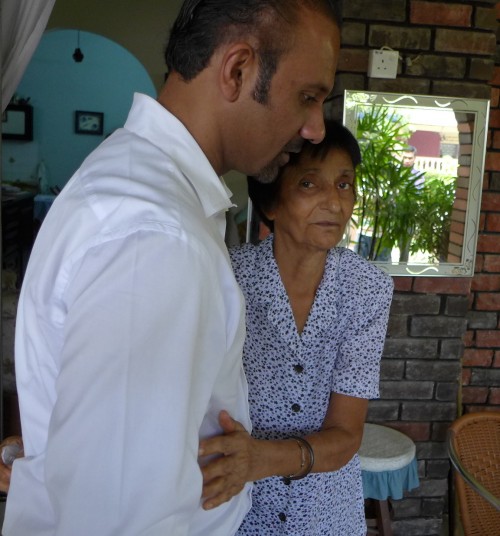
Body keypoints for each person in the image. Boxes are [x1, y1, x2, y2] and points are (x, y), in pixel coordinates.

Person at [3, 1, 341, 535]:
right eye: (307, 97)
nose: (315, 128)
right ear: (237, 70)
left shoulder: (152, 196)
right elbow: (118, 519)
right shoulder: (157, 235)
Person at [198, 120, 394, 534]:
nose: (334, 202)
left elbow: (345, 434)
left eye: (344, 185)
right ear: (271, 202)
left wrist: (261, 459)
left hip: (326, 513)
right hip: (237, 507)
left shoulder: (367, 289)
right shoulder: (228, 279)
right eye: (310, 184)